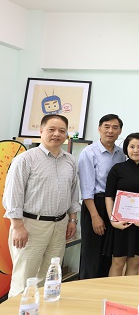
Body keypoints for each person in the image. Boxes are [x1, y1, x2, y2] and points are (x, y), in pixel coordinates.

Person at [3, 114, 80, 297]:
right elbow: (13, 196)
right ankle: (17, 308)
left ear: (66, 134)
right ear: (41, 131)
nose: (57, 134)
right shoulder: (25, 159)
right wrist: (17, 227)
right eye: (51, 129)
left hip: (60, 225)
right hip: (30, 226)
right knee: (24, 279)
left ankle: (43, 308)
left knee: (50, 277)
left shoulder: (70, 160)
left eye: (62, 130)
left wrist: (72, 220)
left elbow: (73, 193)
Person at [104, 132, 139, 276]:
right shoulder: (117, 168)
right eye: (132, 147)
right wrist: (113, 220)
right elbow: (109, 196)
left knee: (135, 263)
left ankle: (129, 291)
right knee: (118, 263)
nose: (135, 150)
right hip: (121, 224)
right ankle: (113, 290)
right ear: (126, 148)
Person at [78, 114, 126, 279]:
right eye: (106, 127)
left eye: (115, 127)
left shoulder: (121, 153)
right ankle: (87, 289)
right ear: (99, 129)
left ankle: (103, 288)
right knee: (92, 253)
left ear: (120, 131)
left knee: (108, 252)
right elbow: (86, 189)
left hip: (113, 205)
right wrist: (95, 216)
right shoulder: (89, 152)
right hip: (95, 204)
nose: (110, 131)